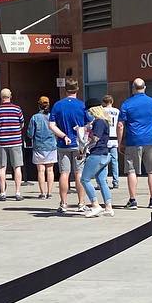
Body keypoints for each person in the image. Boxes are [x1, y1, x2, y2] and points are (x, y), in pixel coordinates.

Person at [116, 78, 152, 210]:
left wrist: (120, 142)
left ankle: (133, 200)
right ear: (144, 88)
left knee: (132, 171)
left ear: (133, 88)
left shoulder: (127, 104)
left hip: (133, 141)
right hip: (151, 140)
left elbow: (120, 125)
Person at [49, 80, 90, 215]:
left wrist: (63, 135)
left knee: (64, 173)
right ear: (77, 89)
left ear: (65, 90)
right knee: (79, 173)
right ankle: (81, 203)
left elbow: (51, 125)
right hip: (79, 144)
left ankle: (63, 203)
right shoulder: (82, 105)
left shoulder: (57, 105)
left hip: (63, 143)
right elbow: (89, 124)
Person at [0, 88, 27, 201]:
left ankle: (3, 193)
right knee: (17, 167)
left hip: (1, 142)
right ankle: (18, 193)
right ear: (10, 96)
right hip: (15, 141)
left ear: (1, 97)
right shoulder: (17, 109)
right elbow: (22, 124)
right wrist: (16, 131)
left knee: (2, 167)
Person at [80, 101, 115, 217]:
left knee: (84, 179)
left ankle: (95, 205)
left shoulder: (99, 122)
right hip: (105, 154)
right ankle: (108, 207)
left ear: (93, 110)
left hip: (96, 154)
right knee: (101, 181)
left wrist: (85, 140)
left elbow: (95, 138)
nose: (88, 113)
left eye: (89, 111)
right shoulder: (104, 121)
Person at [29, 95, 58, 200]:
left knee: (41, 171)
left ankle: (42, 193)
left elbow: (30, 134)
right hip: (51, 146)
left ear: (39, 105)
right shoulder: (52, 117)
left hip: (39, 146)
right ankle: (49, 193)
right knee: (50, 170)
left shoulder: (35, 117)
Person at [91, 94, 121, 189]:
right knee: (114, 161)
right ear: (112, 102)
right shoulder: (117, 111)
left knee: (103, 161)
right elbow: (120, 125)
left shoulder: (101, 111)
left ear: (103, 102)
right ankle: (116, 181)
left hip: (104, 138)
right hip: (114, 138)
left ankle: (103, 182)